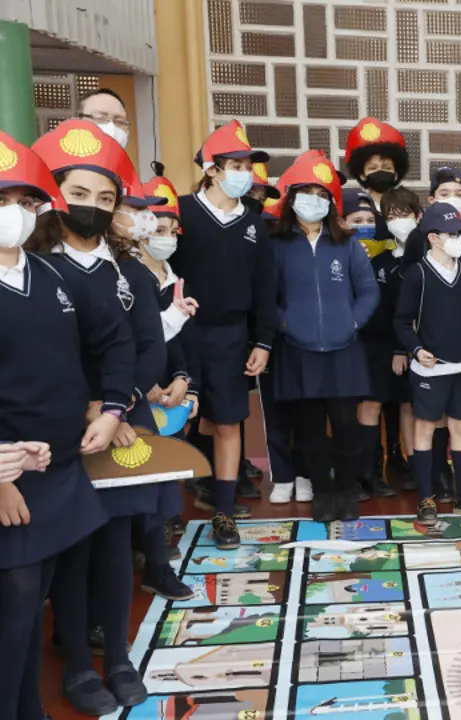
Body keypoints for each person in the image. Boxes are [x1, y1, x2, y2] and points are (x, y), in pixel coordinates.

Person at [31, 120, 168, 716]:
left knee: (115, 541)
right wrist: (82, 406)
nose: (90, 208)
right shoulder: (33, 266)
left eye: (104, 198)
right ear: (53, 194)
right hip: (56, 431)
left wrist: (119, 406)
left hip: (120, 426)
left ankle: (118, 655)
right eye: (77, 194)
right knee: (73, 546)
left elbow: (146, 347)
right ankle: (80, 667)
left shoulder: (129, 271)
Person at [0, 131, 129, 720]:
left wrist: (110, 409)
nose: (16, 215)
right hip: (9, 481)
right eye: (3, 201)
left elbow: (114, 341)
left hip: (62, 466)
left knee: (31, 610)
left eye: (27, 202)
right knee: (15, 602)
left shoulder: (52, 276)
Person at [171, 120, 277, 549]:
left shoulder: (253, 221)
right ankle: (168, 513)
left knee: (231, 422)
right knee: (176, 421)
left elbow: (265, 287)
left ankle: (224, 510)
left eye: (247, 165)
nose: (243, 173)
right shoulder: (181, 212)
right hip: (182, 333)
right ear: (212, 170)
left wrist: (263, 340)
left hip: (232, 336)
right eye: (234, 164)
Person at [269, 152, 379, 522]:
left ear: (330, 201)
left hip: (344, 347)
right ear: (292, 198)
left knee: (348, 425)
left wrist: (352, 323)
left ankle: (346, 488)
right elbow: (268, 297)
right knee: (310, 430)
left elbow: (368, 291)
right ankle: (323, 491)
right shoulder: (278, 243)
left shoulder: (345, 243)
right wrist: (285, 324)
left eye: (321, 193)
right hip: (298, 349)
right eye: (306, 192)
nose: (313, 200)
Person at [395, 203, 461, 524]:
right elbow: (401, 321)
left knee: (459, 428)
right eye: (453, 234)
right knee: (424, 429)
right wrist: (417, 349)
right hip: (430, 369)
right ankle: (426, 498)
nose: (459, 239)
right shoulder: (417, 274)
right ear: (434, 238)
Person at [132, 173, 201, 599]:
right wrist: (149, 385)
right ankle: (146, 556)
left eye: (169, 230)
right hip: (135, 390)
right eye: (155, 229)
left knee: (158, 479)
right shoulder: (130, 277)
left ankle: (155, 559)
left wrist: (183, 381)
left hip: (165, 387)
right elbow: (135, 340)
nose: (164, 237)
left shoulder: (175, 279)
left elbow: (176, 342)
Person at [331, 190, 395, 502]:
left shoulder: (387, 254)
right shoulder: (334, 254)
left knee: (373, 407)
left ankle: (371, 473)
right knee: (347, 411)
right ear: (342, 221)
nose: (365, 226)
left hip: (379, 344)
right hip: (344, 343)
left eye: (370, 220)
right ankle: (350, 475)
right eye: (358, 220)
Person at [381, 187, 424, 493]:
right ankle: (411, 461)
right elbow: (392, 311)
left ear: (418, 216)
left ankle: (434, 463)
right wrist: (400, 348)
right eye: (391, 216)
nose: (399, 222)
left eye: (404, 215)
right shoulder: (384, 261)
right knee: (407, 404)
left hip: (437, 344)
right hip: (401, 345)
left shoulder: (433, 253)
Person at [343, 116, 409, 252]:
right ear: (362, 174)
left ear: (396, 174)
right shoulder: (354, 207)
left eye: (387, 168)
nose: (380, 172)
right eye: (373, 168)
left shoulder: (407, 207)